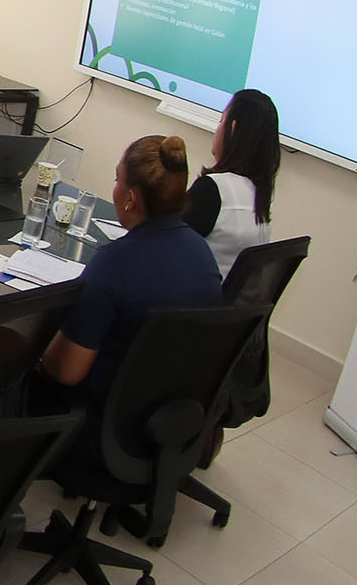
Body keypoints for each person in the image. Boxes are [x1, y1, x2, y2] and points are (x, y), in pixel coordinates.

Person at [37, 135, 223, 409]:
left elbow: (66, 372)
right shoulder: (202, 253)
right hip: (168, 414)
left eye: (117, 180)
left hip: (97, 418)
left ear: (130, 198)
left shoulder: (114, 263)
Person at [183, 89, 280, 280]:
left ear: (233, 129)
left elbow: (166, 243)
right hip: (218, 296)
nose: (217, 129)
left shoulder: (212, 189)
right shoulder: (258, 196)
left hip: (194, 294)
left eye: (221, 120)